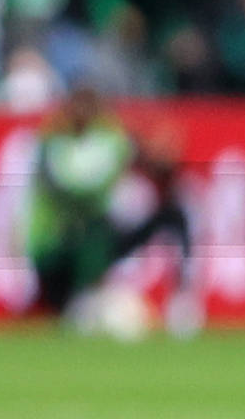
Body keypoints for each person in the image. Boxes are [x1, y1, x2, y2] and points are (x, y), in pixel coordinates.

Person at [22, 89, 197, 336]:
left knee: (173, 215)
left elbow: (154, 162)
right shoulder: (53, 144)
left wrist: (160, 155)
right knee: (89, 226)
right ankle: (84, 299)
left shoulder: (109, 140)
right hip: (55, 249)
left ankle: (182, 303)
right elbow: (74, 190)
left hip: (96, 240)